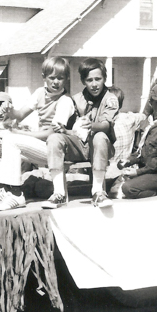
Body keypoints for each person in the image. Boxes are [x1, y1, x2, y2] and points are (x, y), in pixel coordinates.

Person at [0, 56, 77, 211]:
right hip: (42, 147)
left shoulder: (65, 101)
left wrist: (19, 133)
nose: (56, 82)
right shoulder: (40, 93)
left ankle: (16, 195)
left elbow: (51, 132)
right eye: (52, 77)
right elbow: (20, 114)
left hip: (59, 150)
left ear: (67, 79)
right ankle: (7, 190)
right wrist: (9, 110)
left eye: (60, 78)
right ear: (44, 77)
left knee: (10, 139)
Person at [43, 58, 120, 208]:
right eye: (89, 80)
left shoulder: (110, 99)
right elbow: (75, 131)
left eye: (98, 79)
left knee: (99, 136)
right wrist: (65, 131)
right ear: (83, 81)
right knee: (54, 138)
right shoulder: (76, 99)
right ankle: (58, 193)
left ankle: (98, 192)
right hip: (79, 145)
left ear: (104, 78)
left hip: (100, 147)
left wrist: (92, 125)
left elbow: (105, 125)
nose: (94, 84)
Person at [118, 83, 157, 199]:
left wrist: (137, 172)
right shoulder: (149, 124)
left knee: (128, 188)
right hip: (148, 171)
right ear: (151, 103)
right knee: (113, 183)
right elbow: (141, 151)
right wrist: (128, 160)